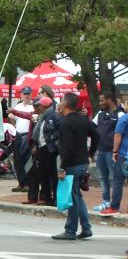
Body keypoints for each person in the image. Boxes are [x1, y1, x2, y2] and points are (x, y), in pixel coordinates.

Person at [52, 92, 99, 240]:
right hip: (82, 161)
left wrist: (62, 167)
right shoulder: (83, 119)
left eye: (61, 101)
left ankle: (70, 230)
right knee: (77, 196)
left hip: (71, 163)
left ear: (65, 104)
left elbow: (67, 147)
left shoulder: (65, 122)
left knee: (72, 197)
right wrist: (91, 152)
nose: (59, 103)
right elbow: (96, 135)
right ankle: (86, 227)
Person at [91, 92, 125, 215]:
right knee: (102, 177)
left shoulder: (120, 114)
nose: (100, 103)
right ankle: (105, 201)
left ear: (110, 100)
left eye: (102, 101)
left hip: (113, 152)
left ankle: (113, 204)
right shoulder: (100, 114)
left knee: (114, 178)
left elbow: (122, 133)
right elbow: (91, 126)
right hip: (101, 150)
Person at [8, 86, 35, 192]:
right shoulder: (18, 106)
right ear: (22, 95)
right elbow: (13, 119)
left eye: (28, 94)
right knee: (17, 159)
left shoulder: (33, 107)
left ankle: (27, 182)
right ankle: (21, 182)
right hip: (18, 134)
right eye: (25, 94)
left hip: (28, 135)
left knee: (27, 159)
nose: (27, 96)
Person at [110, 111, 128, 215]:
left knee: (118, 181)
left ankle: (114, 207)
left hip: (124, 154)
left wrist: (115, 151)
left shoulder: (124, 118)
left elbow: (117, 134)